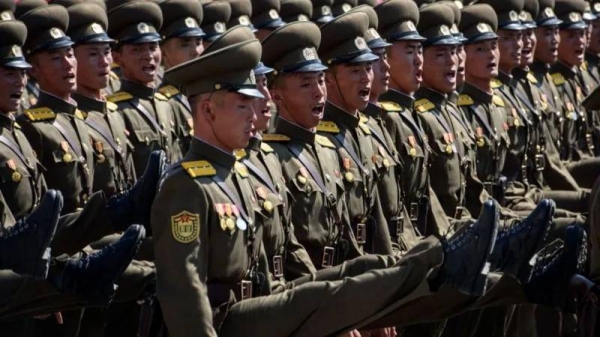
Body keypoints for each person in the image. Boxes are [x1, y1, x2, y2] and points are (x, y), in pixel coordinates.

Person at [152, 28, 505, 337]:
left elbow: (283, 257)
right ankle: (442, 264)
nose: (255, 114)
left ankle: (447, 262)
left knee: (363, 269)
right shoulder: (188, 185)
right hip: (228, 322)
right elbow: (185, 293)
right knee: (325, 297)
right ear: (208, 111)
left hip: (267, 304)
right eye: (243, 105)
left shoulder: (239, 172)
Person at [317, 9, 396, 256]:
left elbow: (378, 213)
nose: (366, 78)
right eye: (355, 70)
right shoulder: (323, 139)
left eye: (367, 68)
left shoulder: (365, 130)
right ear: (328, 78)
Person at [107, 0, 183, 175]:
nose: (148, 56)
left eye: (152, 47)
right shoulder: (116, 111)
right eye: (137, 50)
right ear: (118, 58)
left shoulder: (167, 104)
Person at [158, 0, 205, 156]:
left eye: (198, 42)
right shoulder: (163, 103)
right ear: (163, 53)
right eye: (185, 45)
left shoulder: (208, 94)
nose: (196, 52)